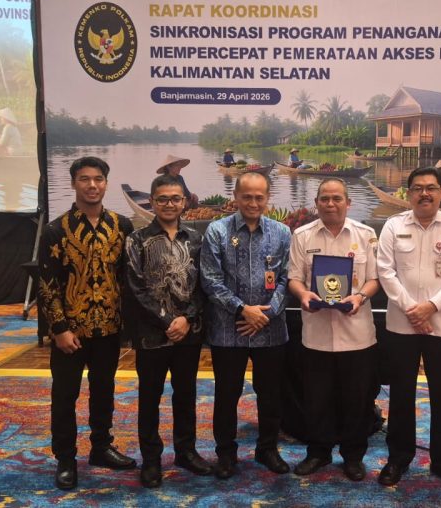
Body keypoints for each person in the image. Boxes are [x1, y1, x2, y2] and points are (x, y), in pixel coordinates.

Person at [38, 156, 136, 490]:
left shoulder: (123, 227)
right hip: (71, 332)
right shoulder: (56, 230)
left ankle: (101, 447)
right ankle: (65, 458)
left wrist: (128, 326)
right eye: (84, 179)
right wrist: (59, 329)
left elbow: (127, 279)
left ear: (106, 183)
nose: (92, 185)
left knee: (104, 390)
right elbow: (47, 285)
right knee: (65, 395)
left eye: (98, 179)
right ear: (73, 183)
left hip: (108, 328)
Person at [376, 166, 441, 488]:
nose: (424, 194)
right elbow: (385, 271)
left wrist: (430, 307)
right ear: (408, 193)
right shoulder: (393, 226)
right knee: (401, 393)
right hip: (401, 325)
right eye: (417, 188)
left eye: (431, 188)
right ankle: (398, 458)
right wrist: (412, 309)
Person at [200, 172, 293, 479]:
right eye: (247, 197)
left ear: (268, 199)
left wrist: (267, 313)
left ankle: (268, 449)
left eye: (259, 197)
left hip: (270, 329)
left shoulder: (281, 232)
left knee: (271, 393)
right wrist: (243, 310)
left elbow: (288, 278)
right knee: (227, 394)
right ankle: (226, 454)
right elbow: (210, 280)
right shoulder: (217, 231)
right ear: (236, 198)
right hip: (229, 330)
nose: (253, 203)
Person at [287, 178, 381, 482]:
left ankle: (353, 456)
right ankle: (318, 452)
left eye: (337, 198)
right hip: (316, 335)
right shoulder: (302, 236)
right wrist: (303, 294)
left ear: (348, 203)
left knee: (357, 400)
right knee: (317, 399)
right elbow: (294, 278)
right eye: (324, 199)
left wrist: (360, 297)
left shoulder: (365, 235)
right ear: (316, 203)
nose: (330, 204)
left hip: (357, 334)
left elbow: (375, 279)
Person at [125, 174, 214, 487]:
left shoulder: (196, 238)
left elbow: (204, 284)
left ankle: (186, 452)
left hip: (189, 332)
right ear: (152, 201)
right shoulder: (137, 240)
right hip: (151, 335)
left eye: (175, 198)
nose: (169, 204)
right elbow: (135, 288)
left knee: (186, 394)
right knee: (149, 397)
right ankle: (151, 459)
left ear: (184, 202)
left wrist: (187, 318)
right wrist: (167, 321)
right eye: (162, 199)